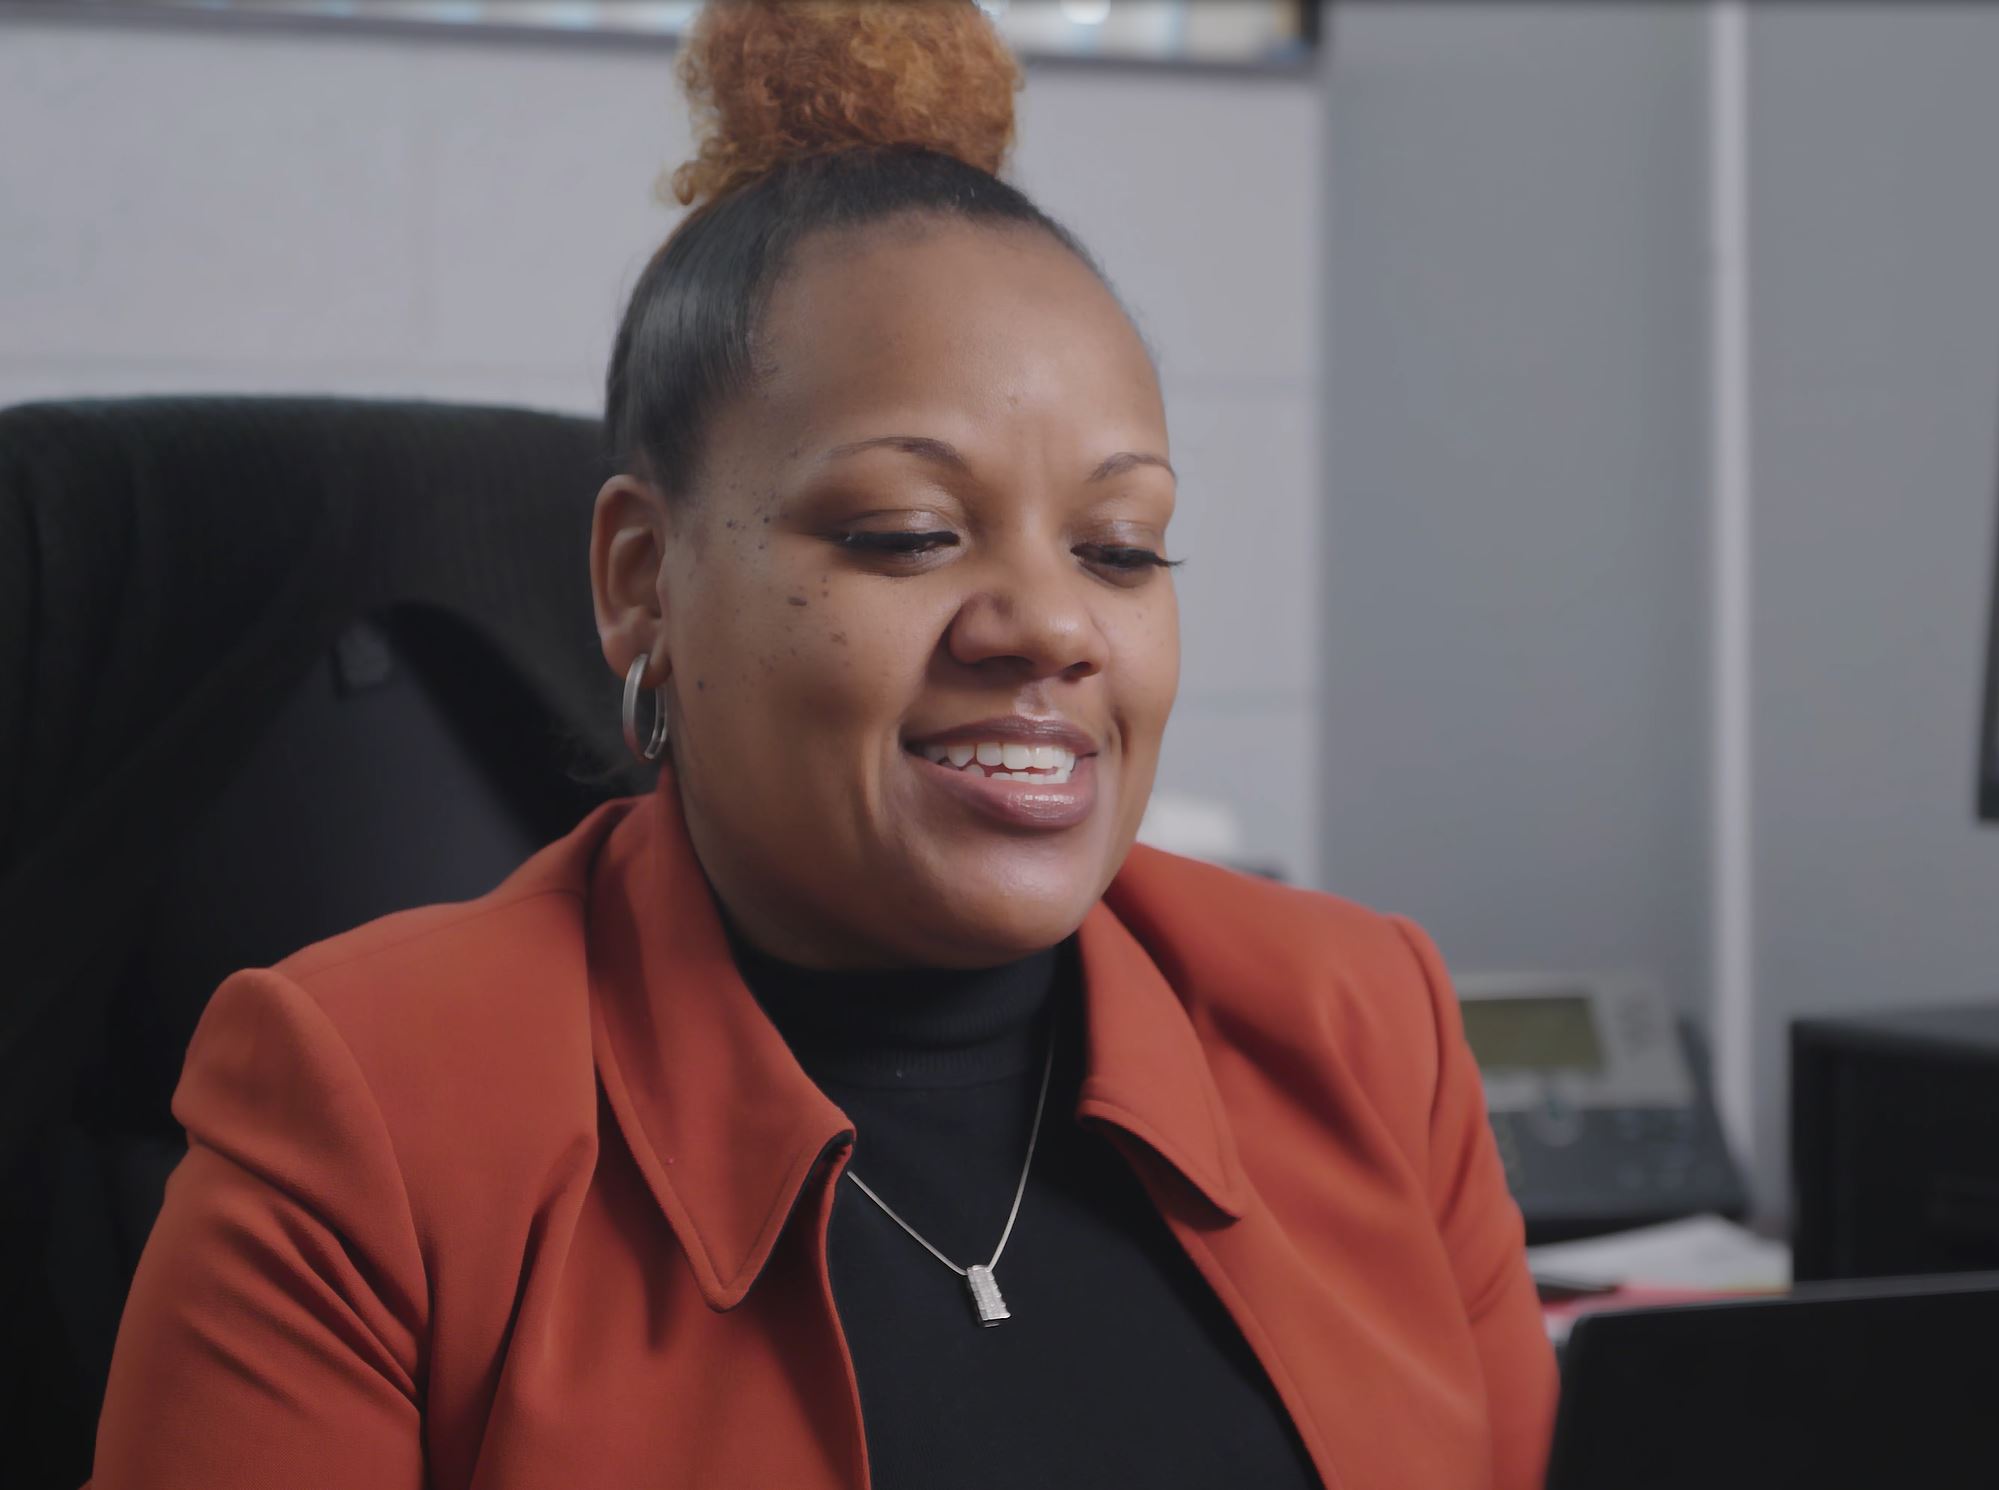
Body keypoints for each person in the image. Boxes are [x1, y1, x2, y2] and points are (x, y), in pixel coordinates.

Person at [88, 2, 1555, 1486]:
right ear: (641, 580)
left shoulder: (1365, 1028)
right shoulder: (371, 1111)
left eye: (1121, 548)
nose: (1052, 626)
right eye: (908, 533)